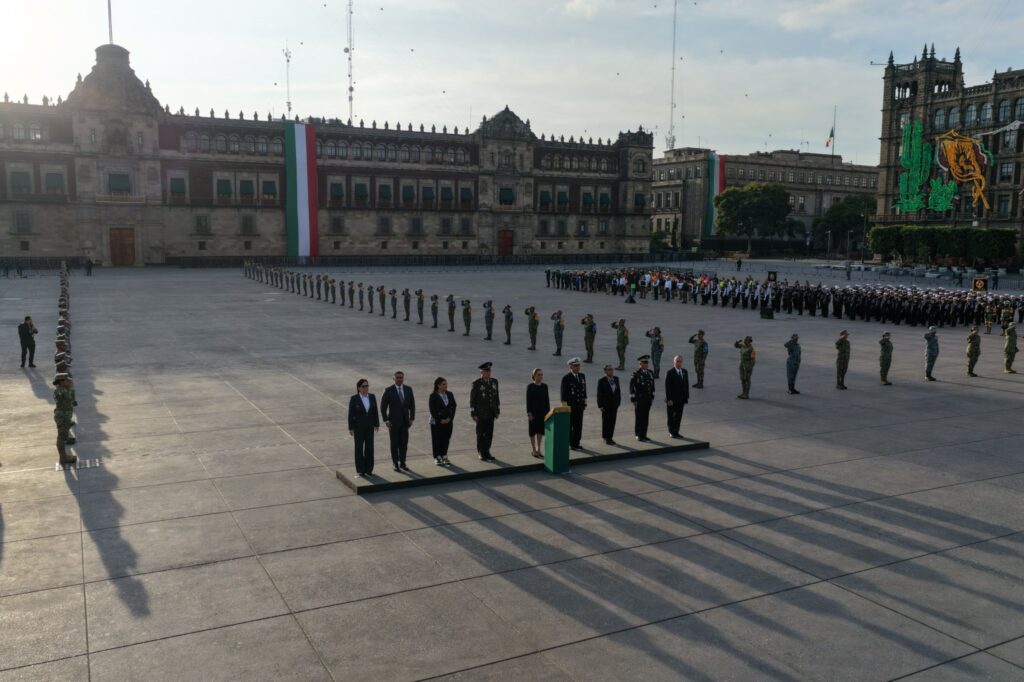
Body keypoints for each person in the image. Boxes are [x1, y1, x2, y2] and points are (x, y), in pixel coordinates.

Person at [380, 371, 416, 472]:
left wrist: (412, 418)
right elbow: (383, 407)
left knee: (404, 444)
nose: (400, 379)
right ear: (394, 379)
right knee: (394, 444)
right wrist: (386, 420)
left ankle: (403, 463)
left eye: (401, 378)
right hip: (393, 423)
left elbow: (412, 405)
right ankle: (395, 463)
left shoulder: (408, 389)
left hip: (405, 422)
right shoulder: (388, 390)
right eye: (398, 378)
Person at [347, 378, 380, 478]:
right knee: (359, 448)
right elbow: (351, 414)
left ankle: (369, 469)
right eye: (363, 386)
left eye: (367, 386)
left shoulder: (372, 397)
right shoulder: (354, 398)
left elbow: (375, 411)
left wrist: (377, 424)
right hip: (359, 428)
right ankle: (361, 470)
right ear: (359, 388)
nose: (366, 388)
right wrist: (351, 428)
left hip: (369, 427)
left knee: (369, 448)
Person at [470, 361, 500, 460]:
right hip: (481, 413)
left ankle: (487, 451)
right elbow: (472, 400)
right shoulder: (477, 383)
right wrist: (473, 413)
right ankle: (481, 452)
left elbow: (496, 397)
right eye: (486, 372)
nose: (488, 373)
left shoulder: (494, 382)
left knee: (489, 433)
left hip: (491, 413)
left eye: (489, 371)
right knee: (481, 434)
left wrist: (497, 410)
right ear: (481, 372)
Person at [560, 357, 588, 450]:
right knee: (570, 426)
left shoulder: (582, 376)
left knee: (578, 425)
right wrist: (565, 408)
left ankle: (577, 442)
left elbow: (584, 390)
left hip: (580, 406)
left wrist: (585, 403)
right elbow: (563, 395)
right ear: (570, 367)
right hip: (571, 406)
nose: (578, 367)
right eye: (575, 366)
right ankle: (571, 443)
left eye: (578, 365)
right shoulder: (566, 378)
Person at [428, 377, 456, 465]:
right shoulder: (433, 396)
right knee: (437, 439)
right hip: (436, 422)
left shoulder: (450, 394)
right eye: (444, 384)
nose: (446, 386)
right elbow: (432, 410)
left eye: (446, 384)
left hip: (448, 421)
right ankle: (437, 457)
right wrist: (440, 420)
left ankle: (444, 455)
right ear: (438, 385)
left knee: (446, 439)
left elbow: (454, 406)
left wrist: (450, 418)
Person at [629, 355, 655, 441]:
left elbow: (652, 386)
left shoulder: (650, 373)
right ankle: (638, 434)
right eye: (644, 362)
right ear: (640, 364)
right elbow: (632, 387)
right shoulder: (636, 374)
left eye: (647, 362)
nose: (646, 364)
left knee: (645, 418)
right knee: (639, 418)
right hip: (639, 400)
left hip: (648, 399)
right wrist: (633, 399)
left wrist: (652, 397)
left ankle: (644, 434)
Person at [526, 368, 550, 458]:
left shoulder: (545, 386)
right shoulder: (530, 387)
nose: (541, 376)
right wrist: (529, 413)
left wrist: (548, 413)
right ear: (534, 376)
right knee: (532, 431)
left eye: (541, 375)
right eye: (539, 375)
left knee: (540, 431)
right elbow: (528, 401)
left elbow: (547, 401)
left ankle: (538, 449)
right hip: (533, 413)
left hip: (542, 413)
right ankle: (533, 450)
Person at [53, 373, 77, 465]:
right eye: (68, 380)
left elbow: (72, 401)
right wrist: (70, 388)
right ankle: (63, 458)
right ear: (61, 382)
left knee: (64, 433)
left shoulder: (65, 389)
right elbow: (64, 396)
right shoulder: (60, 391)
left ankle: (66, 438)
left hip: (65, 416)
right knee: (61, 438)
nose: (70, 382)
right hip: (62, 417)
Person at [664, 355, 690, 438]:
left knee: (678, 416)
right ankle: (671, 432)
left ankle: (676, 431)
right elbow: (667, 387)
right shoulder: (670, 373)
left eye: (680, 361)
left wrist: (686, 397)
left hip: (681, 399)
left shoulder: (685, 372)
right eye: (677, 361)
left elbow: (686, 385)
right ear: (674, 362)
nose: (679, 363)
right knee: (671, 417)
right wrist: (669, 399)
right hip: (672, 400)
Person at [597, 364, 621, 445]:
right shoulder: (602, 380)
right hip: (606, 405)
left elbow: (618, 391)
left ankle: (610, 437)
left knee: (612, 422)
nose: (611, 371)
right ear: (605, 371)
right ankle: (606, 437)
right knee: (606, 422)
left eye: (612, 370)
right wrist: (600, 405)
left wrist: (618, 402)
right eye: (609, 370)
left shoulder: (616, 379)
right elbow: (599, 394)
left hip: (614, 404)